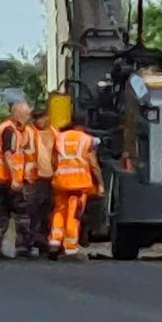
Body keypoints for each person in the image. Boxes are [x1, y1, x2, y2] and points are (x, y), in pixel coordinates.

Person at [45, 93, 102, 260]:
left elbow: (54, 160)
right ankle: (70, 248)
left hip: (60, 183)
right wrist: (100, 183)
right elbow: (93, 164)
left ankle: (55, 242)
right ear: (84, 124)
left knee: (59, 211)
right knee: (73, 215)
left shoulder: (60, 138)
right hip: (78, 185)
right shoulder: (87, 140)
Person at [0, 98, 36, 262]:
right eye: (27, 114)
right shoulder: (9, 131)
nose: (29, 117)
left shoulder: (16, 129)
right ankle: (20, 248)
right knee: (18, 214)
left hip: (3, 179)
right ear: (19, 114)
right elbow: (8, 155)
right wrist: (15, 178)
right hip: (7, 180)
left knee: (3, 214)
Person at [18, 101, 57, 260]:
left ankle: (42, 243)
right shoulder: (28, 132)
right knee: (29, 213)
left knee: (46, 214)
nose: (40, 120)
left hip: (50, 179)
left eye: (42, 117)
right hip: (32, 179)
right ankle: (24, 245)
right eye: (37, 117)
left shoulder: (54, 132)